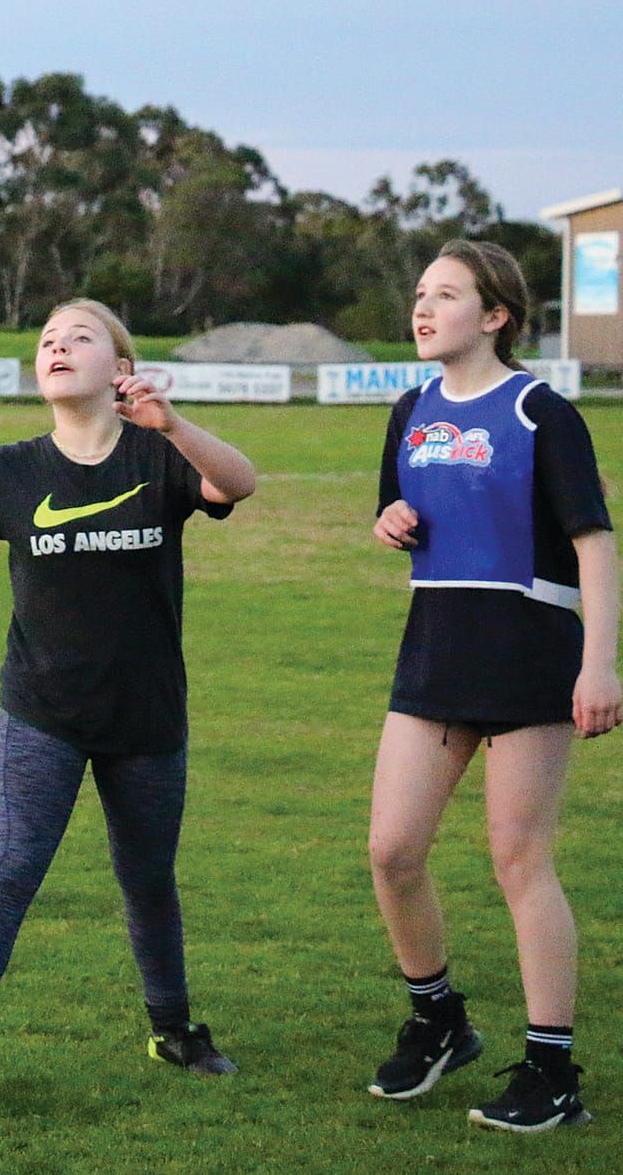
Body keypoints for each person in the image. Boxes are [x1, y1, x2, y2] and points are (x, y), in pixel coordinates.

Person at [0, 299, 256, 1111]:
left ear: (118, 370)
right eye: (48, 339)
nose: (58, 347)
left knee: (148, 877)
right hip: (40, 711)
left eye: (79, 337)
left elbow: (239, 483)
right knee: (9, 872)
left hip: (147, 713)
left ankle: (174, 1027)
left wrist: (175, 422)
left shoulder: (159, 455)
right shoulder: (10, 470)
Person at [364, 239, 617, 1132]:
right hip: (434, 652)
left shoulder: (543, 411)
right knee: (393, 851)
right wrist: (389, 516)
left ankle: (552, 1070)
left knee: (520, 862)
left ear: (496, 314)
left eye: (446, 295)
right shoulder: (411, 408)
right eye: (419, 294)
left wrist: (600, 663)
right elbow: (396, 506)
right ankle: (439, 1020)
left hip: (529, 656)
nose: (423, 309)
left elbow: (593, 541)